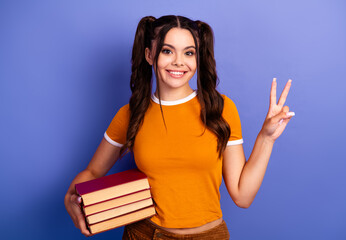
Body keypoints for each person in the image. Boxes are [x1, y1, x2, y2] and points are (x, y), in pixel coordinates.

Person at [64, 15, 294, 239]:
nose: (178, 61)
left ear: (197, 58)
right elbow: (93, 172)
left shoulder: (221, 109)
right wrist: (71, 196)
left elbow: (243, 196)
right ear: (149, 55)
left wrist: (266, 138)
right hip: (146, 234)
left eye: (189, 53)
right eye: (167, 51)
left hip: (210, 235)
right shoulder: (130, 115)